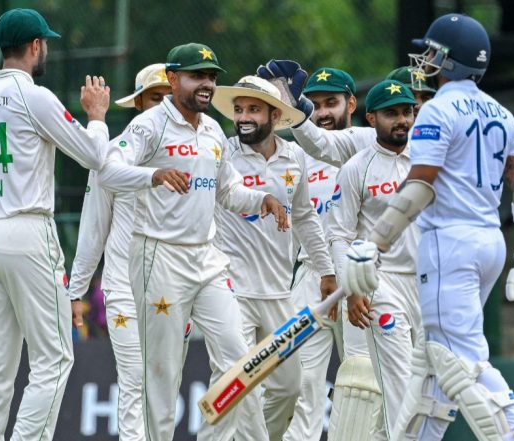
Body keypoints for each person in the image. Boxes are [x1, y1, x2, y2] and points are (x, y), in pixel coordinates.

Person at [342, 14, 514, 441]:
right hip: (490, 242)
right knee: (430, 373)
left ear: (451, 61)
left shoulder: (437, 109)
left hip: (449, 245)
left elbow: (420, 186)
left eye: (433, 52)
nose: (424, 59)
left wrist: (372, 243)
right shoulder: (502, 113)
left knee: (459, 360)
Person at [99, 43, 289, 441]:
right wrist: (152, 176)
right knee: (163, 375)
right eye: (197, 76)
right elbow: (108, 171)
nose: (206, 84)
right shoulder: (149, 125)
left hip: (206, 258)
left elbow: (229, 191)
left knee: (241, 359)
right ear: (172, 79)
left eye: (211, 77)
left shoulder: (213, 130)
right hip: (158, 256)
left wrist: (263, 200)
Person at [0, 8, 110, 440]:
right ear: (35, 46)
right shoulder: (34, 96)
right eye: (46, 44)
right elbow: (94, 156)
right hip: (26, 230)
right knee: (54, 359)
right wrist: (96, 117)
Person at [210, 75, 337, 441]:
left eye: (253, 109)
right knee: (236, 385)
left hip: (279, 292)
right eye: (238, 109)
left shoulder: (294, 155)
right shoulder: (223, 152)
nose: (244, 116)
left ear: (274, 115)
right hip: (231, 290)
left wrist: (326, 269)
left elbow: (305, 217)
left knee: (288, 387)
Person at [68, 63, 172, 441]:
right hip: (123, 285)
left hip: (174, 285)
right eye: (156, 99)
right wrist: (75, 292)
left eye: (170, 99)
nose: (165, 107)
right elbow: (93, 229)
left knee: (163, 380)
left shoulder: (191, 151)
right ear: (140, 103)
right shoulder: (114, 154)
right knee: (133, 379)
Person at [328, 80, 429, 440]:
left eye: (406, 112)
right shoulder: (357, 168)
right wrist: (353, 289)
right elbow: (339, 235)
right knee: (400, 385)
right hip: (381, 285)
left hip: (429, 285)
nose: (401, 121)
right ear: (371, 118)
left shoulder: (427, 159)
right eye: (391, 114)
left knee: (425, 390)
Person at [281, 67, 355, 441]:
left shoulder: (366, 147)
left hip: (360, 280)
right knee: (299, 381)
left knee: (362, 385)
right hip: (311, 276)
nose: (324, 112)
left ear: (351, 104)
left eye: (332, 103)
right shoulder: (296, 155)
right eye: (317, 105)